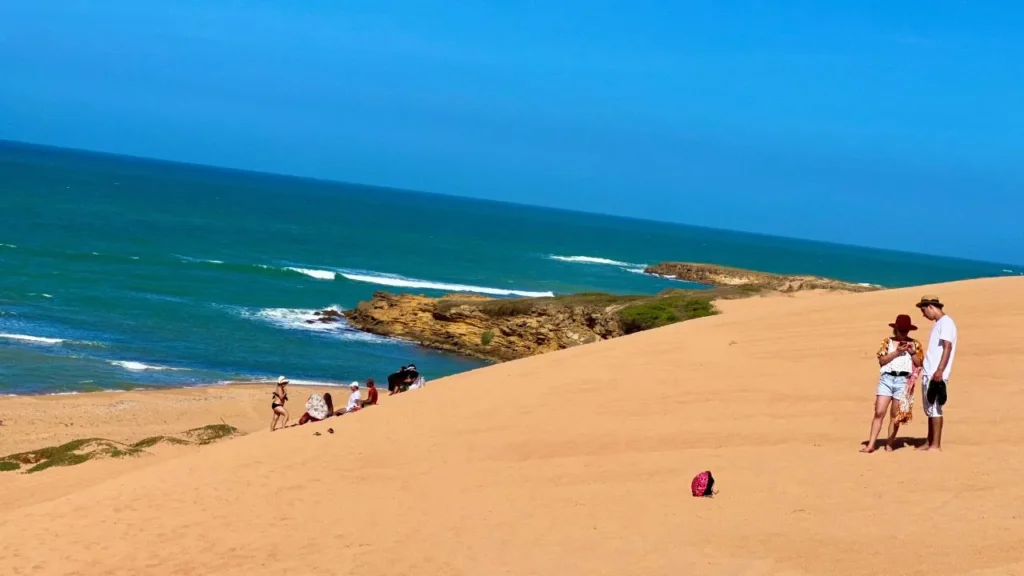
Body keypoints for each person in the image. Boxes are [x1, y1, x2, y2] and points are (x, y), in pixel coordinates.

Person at [861, 315, 923, 453]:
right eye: (901, 330)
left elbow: (919, 364)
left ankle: (889, 444)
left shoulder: (915, 344)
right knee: (879, 412)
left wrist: (912, 353)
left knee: (895, 415)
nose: (904, 333)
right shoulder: (887, 342)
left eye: (906, 331)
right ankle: (871, 444)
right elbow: (882, 361)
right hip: (887, 379)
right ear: (896, 329)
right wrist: (897, 352)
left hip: (903, 381)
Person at [916, 295, 957, 451]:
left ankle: (935, 445)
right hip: (930, 372)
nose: (923, 314)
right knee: (929, 409)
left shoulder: (946, 323)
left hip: (936, 374)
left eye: (923, 310)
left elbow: (948, 347)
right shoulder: (940, 323)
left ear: (931, 307)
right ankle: (929, 441)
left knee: (935, 408)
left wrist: (939, 370)